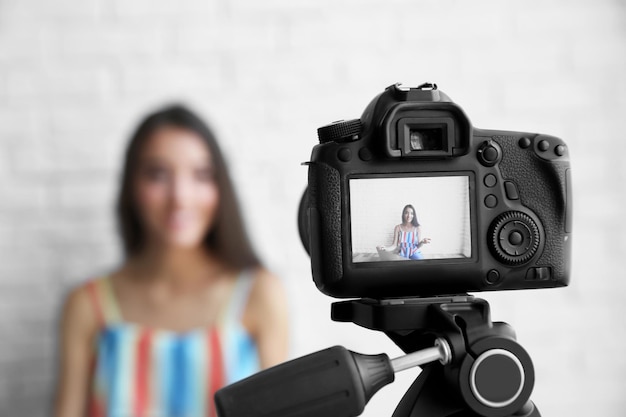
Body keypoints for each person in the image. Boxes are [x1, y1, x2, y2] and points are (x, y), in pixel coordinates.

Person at [54, 105, 289, 417]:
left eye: (201, 175)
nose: (180, 196)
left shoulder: (259, 292)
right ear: (132, 187)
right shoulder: (87, 304)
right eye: (158, 174)